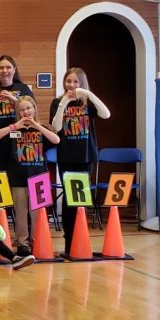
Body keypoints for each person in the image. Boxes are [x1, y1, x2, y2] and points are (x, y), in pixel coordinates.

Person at [50, 67, 111, 254]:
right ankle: (69, 242)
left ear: (82, 84)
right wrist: (64, 103)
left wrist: (88, 94)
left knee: (81, 200)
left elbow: (106, 114)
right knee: (70, 200)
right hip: (67, 157)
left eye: (76, 82)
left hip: (86, 157)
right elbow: (56, 127)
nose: (72, 85)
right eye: (69, 81)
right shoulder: (57, 102)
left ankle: (80, 240)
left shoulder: (88, 103)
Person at [0, 96, 60, 255]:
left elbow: (56, 140)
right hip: (18, 177)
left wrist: (37, 125)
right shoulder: (13, 129)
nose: (25, 112)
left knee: (37, 212)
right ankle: (22, 242)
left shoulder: (43, 128)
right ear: (17, 113)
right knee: (21, 212)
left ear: (34, 108)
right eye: (21, 109)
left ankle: (37, 240)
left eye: (28, 108)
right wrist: (15, 126)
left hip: (38, 177)